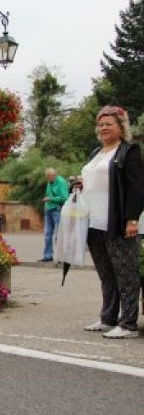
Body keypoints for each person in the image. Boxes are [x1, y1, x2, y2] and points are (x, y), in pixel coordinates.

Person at [80, 105, 144, 339]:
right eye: (101, 124)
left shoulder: (130, 151)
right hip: (94, 221)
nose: (103, 127)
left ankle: (128, 324)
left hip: (118, 221)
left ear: (121, 127)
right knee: (106, 273)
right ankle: (108, 318)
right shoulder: (96, 152)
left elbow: (137, 188)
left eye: (109, 124)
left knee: (126, 273)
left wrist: (132, 219)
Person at [38, 168, 68, 262]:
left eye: (50, 177)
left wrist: (51, 199)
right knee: (47, 234)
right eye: (48, 177)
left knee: (59, 234)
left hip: (57, 210)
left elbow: (65, 197)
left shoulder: (61, 182)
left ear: (54, 175)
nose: (49, 179)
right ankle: (48, 255)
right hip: (48, 210)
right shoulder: (49, 182)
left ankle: (61, 256)